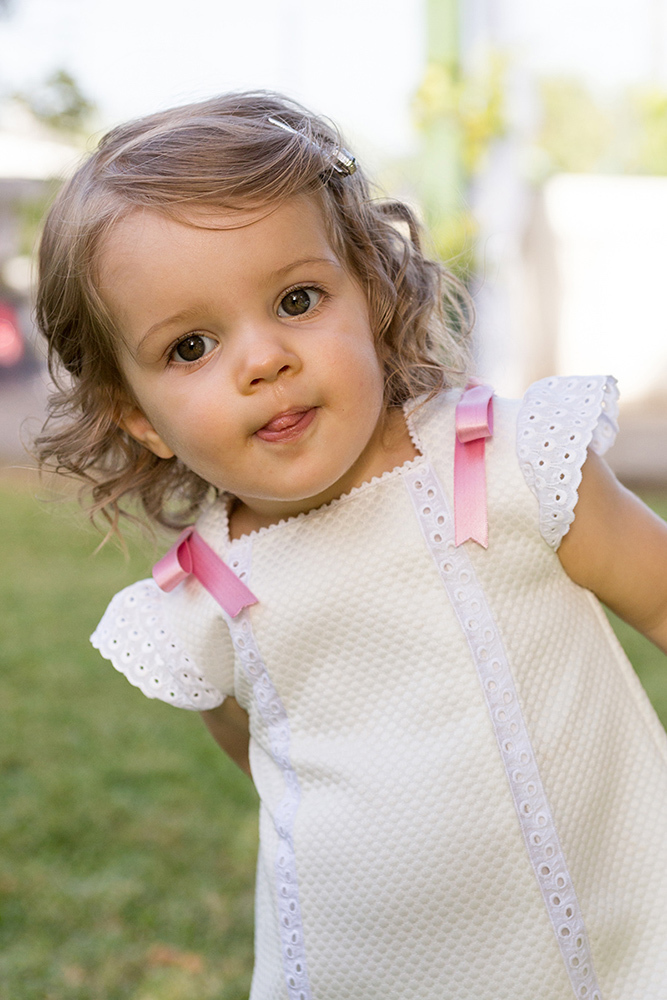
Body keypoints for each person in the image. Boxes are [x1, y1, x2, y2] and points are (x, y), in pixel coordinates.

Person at [35, 91, 667, 1000]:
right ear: (140, 417)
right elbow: (260, 747)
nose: (262, 359)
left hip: (600, 925)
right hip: (356, 965)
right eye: (191, 347)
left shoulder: (506, 463)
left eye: (297, 300)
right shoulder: (206, 595)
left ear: (369, 292)